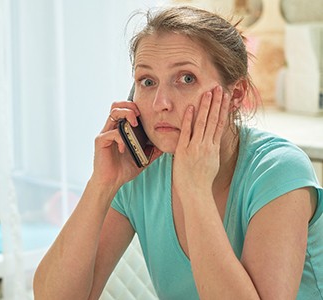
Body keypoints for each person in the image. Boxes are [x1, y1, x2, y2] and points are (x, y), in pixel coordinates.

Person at [33, 5, 323, 299]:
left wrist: (195, 189)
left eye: (185, 79)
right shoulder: (140, 173)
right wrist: (101, 185)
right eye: (147, 82)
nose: (161, 102)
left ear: (235, 95)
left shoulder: (280, 171)